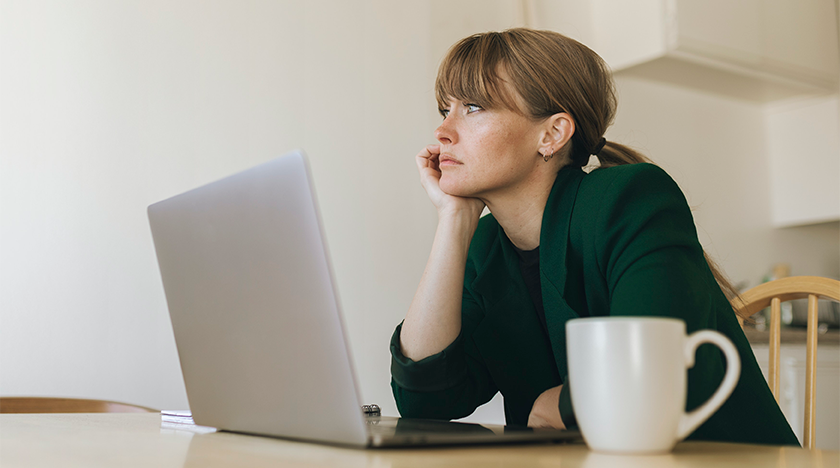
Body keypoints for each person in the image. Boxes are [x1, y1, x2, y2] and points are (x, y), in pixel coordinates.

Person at [389, 28, 799, 445]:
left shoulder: (630, 199)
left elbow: (654, 371)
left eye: (472, 107)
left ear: (551, 134)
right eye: (446, 108)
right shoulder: (486, 243)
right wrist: (454, 219)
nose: (443, 130)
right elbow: (425, 399)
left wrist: (559, 404)